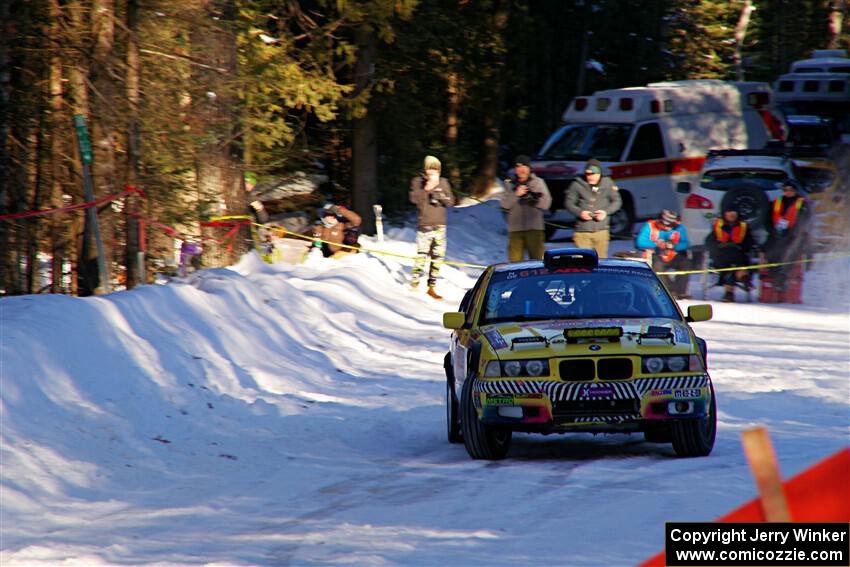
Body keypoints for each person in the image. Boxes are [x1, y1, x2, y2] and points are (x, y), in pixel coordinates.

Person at [409, 155, 456, 299]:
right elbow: (414, 199)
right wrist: (427, 189)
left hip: (440, 226)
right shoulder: (418, 181)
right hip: (425, 225)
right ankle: (414, 284)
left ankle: (432, 287)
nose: (433, 171)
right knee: (422, 255)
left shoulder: (444, 182)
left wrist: (441, 195)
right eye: (430, 168)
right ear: (425, 169)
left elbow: (451, 202)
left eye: (436, 169)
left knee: (438, 256)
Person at [761, 179, 812, 297]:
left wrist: (791, 232)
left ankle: (783, 276)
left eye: (791, 190)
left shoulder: (802, 204)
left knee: (791, 251)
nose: (788, 192)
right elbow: (766, 221)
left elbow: (804, 221)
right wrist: (773, 231)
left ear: (795, 190)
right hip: (776, 235)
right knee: (770, 252)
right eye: (786, 189)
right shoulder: (775, 202)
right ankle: (777, 278)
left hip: (794, 236)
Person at [565, 158, 622, 257]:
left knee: (600, 261)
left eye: (594, 174)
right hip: (582, 231)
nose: (591, 177)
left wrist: (606, 212)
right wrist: (580, 212)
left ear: (600, 174)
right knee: (582, 261)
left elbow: (617, 201)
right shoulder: (577, 184)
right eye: (588, 174)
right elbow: (569, 203)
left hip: (601, 230)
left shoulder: (608, 183)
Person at [500, 155, 552, 262]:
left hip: (535, 229)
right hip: (515, 230)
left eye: (524, 167)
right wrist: (516, 194)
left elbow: (547, 203)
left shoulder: (538, 182)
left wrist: (533, 199)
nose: (521, 170)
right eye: (518, 167)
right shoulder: (508, 184)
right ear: (515, 169)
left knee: (537, 262)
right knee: (515, 264)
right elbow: (504, 205)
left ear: (529, 168)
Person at [635, 209, 691, 299]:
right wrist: (656, 244)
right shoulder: (650, 225)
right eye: (665, 225)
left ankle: (680, 292)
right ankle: (669, 291)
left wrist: (674, 246)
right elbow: (640, 242)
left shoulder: (679, 227)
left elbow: (685, 243)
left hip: (671, 255)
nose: (667, 228)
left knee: (685, 264)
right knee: (657, 266)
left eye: (671, 226)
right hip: (654, 255)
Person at [705, 204, 754, 302]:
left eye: (733, 213)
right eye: (729, 213)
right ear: (725, 214)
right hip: (721, 255)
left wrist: (741, 246)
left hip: (738, 255)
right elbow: (709, 241)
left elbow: (750, 242)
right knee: (731, 265)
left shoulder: (743, 226)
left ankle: (729, 293)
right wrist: (716, 247)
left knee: (735, 264)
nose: (731, 215)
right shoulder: (718, 225)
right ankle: (744, 278)